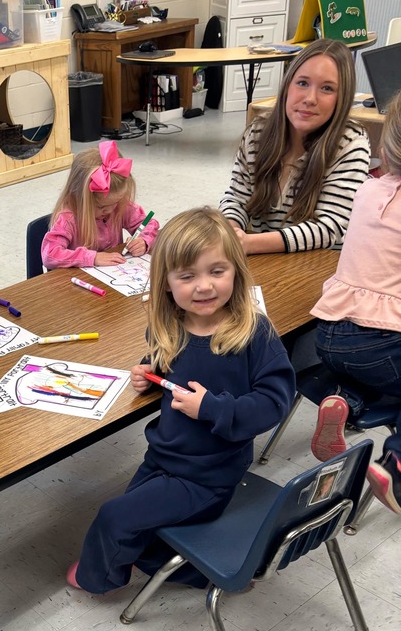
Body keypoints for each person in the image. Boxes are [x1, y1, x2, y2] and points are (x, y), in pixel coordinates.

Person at [66, 207, 296, 594]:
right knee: (143, 534)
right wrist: (150, 372)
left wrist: (211, 409)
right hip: (162, 458)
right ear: (167, 283)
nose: (203, 287)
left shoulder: (254, 332)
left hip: (208, 475)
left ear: (236, 271)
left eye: (216, 271)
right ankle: (204, 573)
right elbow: (171, 364)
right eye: (187, 277)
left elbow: (275, 402)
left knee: (114, 517)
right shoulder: (171, 324)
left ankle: (98, 579)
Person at [308, 91, 401, 513]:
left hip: (329, 336)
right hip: (380, 340)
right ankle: (397, 464)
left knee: (381, 369)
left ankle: (345, 399)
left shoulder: (366, 190)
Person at [220, 39, 371, 254]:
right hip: (265, 257)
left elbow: (329, 227)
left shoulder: (350, 144)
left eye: (327, 88)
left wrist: (249, 244)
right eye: (302, 83)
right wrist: (231, 231)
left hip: (318, 264)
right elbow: (236, 198)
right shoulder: (258, 132)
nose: (310, 98)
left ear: (342, 98)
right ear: (287, 85)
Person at [41, 140, 159, 270]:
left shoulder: (119, 206)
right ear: (80, 199)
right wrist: (93, 257)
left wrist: (143, 241)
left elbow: (149, 223)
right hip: (79, 279)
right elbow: (49, 255)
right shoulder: (68, 219)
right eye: (101, 207)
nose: (110, 210)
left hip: (115, 274)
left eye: (115, 202)